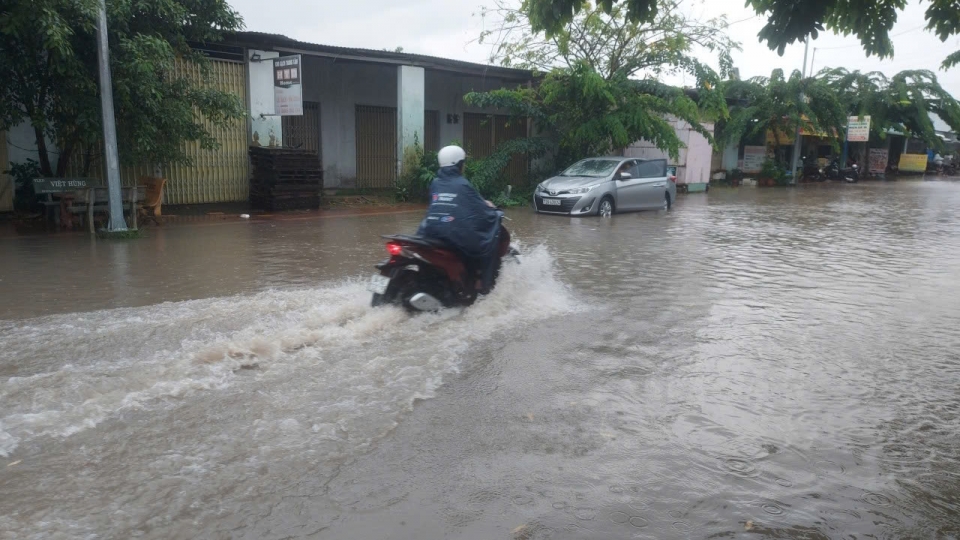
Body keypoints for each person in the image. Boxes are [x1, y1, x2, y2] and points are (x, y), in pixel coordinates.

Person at [417, 145, 501, 294]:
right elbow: (478, 209)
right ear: (459, 164)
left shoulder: (436, 183)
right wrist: (494, 213)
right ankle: (483, 288)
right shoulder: (462, 184)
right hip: (451, 235)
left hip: (430, 232)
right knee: (484, 246)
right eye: (463, 163)